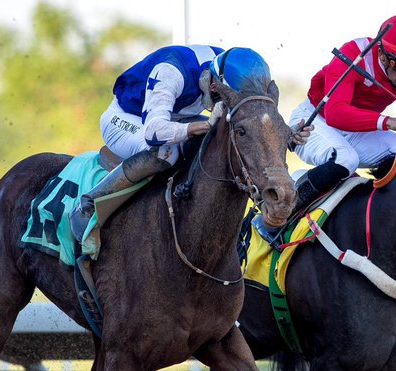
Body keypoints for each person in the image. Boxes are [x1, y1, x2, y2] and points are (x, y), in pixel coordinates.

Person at [68, 45, 274, 242]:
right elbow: (153, 132)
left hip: (172, 117)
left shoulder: (233, 67)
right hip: (126, 119)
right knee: (166, 153)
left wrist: (290, 135)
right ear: (214, 85)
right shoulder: (171, 72)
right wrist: (195, 128)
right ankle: (89, 204)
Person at [290, 13, 396, 211]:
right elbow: (336, 113)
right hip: (314, 123)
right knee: (346, 159)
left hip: (357, 131)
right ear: (382, 55)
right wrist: (390, 122)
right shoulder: (354, 53)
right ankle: (283, 209)